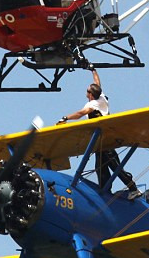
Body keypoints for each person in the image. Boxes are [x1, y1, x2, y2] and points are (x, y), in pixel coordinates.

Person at [56, 67, 142, 199]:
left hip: (105, 141)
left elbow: (80, 114)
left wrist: (65, 118)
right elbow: (97, 83)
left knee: (115, 166)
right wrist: (93, 70)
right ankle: (106, 192)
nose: (86, 92)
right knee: (100, 168)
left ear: (90, 94)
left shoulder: (92, 105)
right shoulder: (101, 97)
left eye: (87, 90)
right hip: (100, 142)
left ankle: (133, 189)